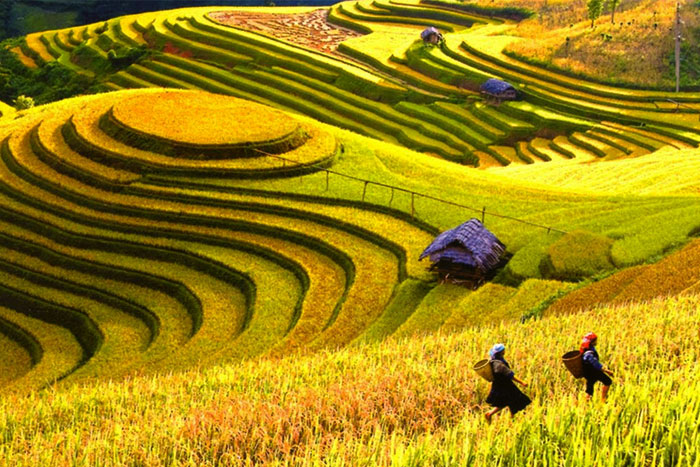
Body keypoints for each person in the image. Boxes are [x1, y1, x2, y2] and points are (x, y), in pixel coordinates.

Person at [484, 343, 531, 422]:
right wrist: (522, 382)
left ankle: (510, 418)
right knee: (513, 400)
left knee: (508, 401)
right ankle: (490, 414)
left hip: (500, 385)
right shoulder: (499, 365)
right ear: (502, 352)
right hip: (505, 386)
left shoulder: (493, 361)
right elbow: (510, 375)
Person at [580, 332, 614, 401]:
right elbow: (596, 364)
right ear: (592, 342)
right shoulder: (589, 354)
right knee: (608, 381)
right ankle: (603, 399)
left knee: (590, 389)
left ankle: (586, 403)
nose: (596, 342)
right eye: (595, 340)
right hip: (593, 372)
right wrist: (607, 371)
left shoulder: (588, 349)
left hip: (588, 373)